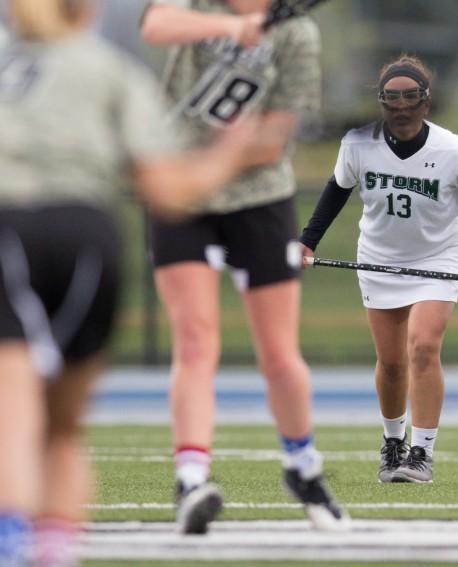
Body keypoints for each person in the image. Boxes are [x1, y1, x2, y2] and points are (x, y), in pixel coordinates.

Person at [0, 0, 260, 565]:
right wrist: (233, 154)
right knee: (62, 431)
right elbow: (168, 192)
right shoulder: (108, 69)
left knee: (6, 424)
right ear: (86, 11)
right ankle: (56, 554)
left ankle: (10, 551)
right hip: (84, 230)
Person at [140, 0, 349, 532]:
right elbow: (155, 24)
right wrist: (230, 27)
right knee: (194, 340)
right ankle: (191, 479)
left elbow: (274, 136)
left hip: (258, 198)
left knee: (278, 353)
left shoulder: (299, 33)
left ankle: (304, 467)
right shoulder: (198, 6)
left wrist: (205, 172)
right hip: (180, 198)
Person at [299, 55, 458, 484]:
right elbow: (336, 190)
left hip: (439, 257)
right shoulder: (357, 145)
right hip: (379, 258)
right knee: (391, 363)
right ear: (381, 103)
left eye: (411, 97)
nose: (402, 106)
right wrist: (307, 241)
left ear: (426, 102)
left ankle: (421, 453)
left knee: (423, 348)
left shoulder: (453, 149)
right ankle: (393, 443)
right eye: (392, 98)